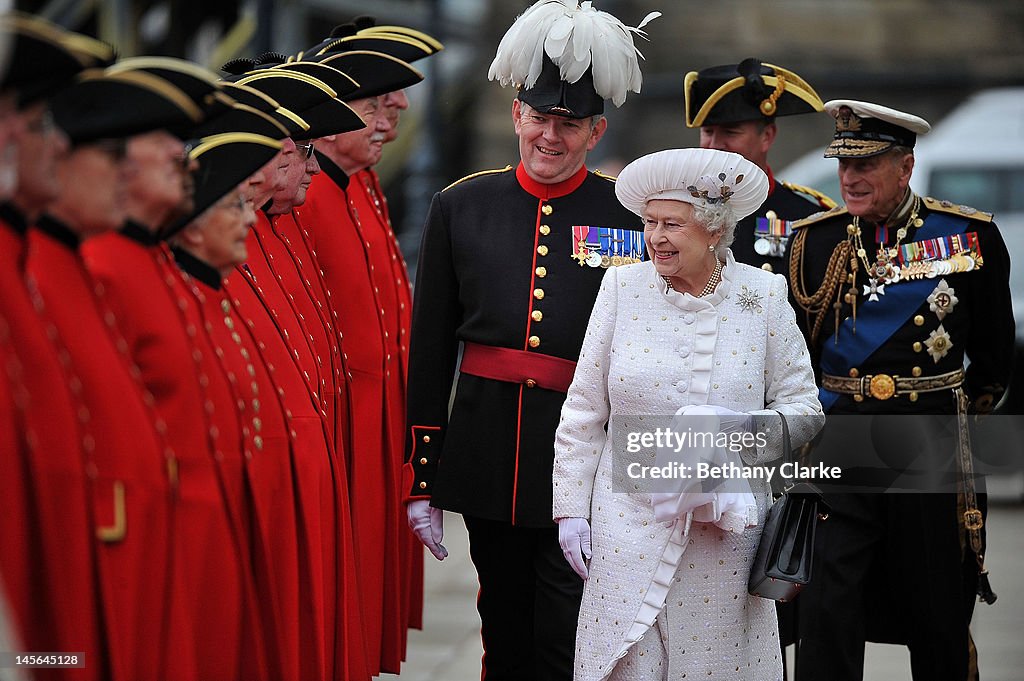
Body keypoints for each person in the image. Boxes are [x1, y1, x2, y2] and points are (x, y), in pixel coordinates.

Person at [404, 2, 658, 678]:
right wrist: (421, 474)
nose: (551, 135)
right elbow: (430, 347)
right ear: (517, 114)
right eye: (540, 118)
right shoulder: (460, 205)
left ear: (596, 131)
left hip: (586, 465)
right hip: (487, 456)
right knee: (505, 633)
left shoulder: (627, 215)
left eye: (569, 124)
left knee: (566, 639)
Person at [550, 147, 823, 681]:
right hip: (627, 522)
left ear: (715, 231)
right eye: (649, 222)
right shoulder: (621, 289)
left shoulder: (762, 295)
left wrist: (730, 436)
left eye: (671, 224)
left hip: (724, 539)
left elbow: (805, 410)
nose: (654, 237)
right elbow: (583, 409)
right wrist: (570, 510)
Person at [787, 100, 1014, 681]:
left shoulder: (970, 236)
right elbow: (797, 360)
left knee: (936, 612)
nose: (850, 179)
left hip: (928, 446)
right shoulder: (815, 242)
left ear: (906, 167)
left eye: (867, 166)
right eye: (844, 166)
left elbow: (992, 360)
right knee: (827, 611)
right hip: (839, 447)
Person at [685, 58, 835, 272]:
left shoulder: (807, 219)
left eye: (731, 132)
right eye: (707, 132)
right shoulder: (674, 211)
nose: (715, 145)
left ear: (767, 136)